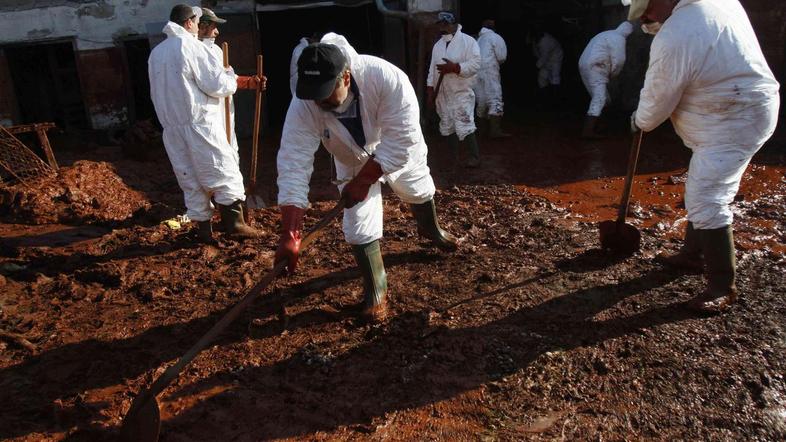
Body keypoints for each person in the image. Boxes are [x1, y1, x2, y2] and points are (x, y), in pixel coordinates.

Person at [275, 33, 459, 323]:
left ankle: (432, 231)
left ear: (345, 77)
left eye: (326, 93)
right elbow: (293, 162)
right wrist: (291, 233)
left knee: (417, 188)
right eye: (314, 95)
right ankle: (376, 292)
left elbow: (402, 139)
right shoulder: (305, 103)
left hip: (395, 147)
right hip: (350, 158)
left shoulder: (386, 78)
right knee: (358, 224)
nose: (319, 103)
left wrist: (365, 179)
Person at [628, 0, 780, 312]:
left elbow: (656, 104)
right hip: (742, 110)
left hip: (732, 118)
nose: (645, 19)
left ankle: (722, 286)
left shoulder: (675, 35)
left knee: (707, 195)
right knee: (704, 186)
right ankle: (693, 254)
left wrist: (639, 119)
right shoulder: (719, 2)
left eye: (646, 11)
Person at [149, 4, 263, 242]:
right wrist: (233, 81)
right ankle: (235, 224)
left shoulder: (156, 53)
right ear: (190, 22)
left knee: (189, 177)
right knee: (223, 170)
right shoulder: (190, 46)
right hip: (199, 122)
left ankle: (203, 230)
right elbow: (215, 84)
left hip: (171, 127)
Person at [427, 11, 482, 168]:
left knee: (464, 121)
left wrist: (456, 67)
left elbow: (476, 64)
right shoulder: (438, 46)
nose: (442, 28)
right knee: (447, 123)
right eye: (440, 25)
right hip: (443, 93)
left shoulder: (468, 42)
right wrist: (430, 91)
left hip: (461, 91)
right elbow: (432, 70)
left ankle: (474, 157)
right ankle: (453, 158)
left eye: (445, 25)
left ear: (453, 24)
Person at [578, 21, 634, 138]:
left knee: (603, 98)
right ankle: (588, 131)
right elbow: (619, 61)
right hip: (597, 67)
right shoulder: (619, 38)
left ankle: (600, 125)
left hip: (584, 64)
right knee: (600, 98)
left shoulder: (605, 34)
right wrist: (613, 75)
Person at [474, 18, 510, 138]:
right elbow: (501, 57)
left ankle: (481, 130)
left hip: (477, 73)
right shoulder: (495, 37)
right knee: (495, 99)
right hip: (490, 71)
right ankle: (495, 131)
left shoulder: (478, 39)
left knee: (481, 101)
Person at [532, 27, 563, 99]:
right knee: (542, 78)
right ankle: (544, 98)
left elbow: (544, 57)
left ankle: (555, 98)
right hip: (545, 61)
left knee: (555, 78)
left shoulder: (545, 42)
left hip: (555, 59)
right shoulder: (535, 40)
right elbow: (537, 54)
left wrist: (536, 66)